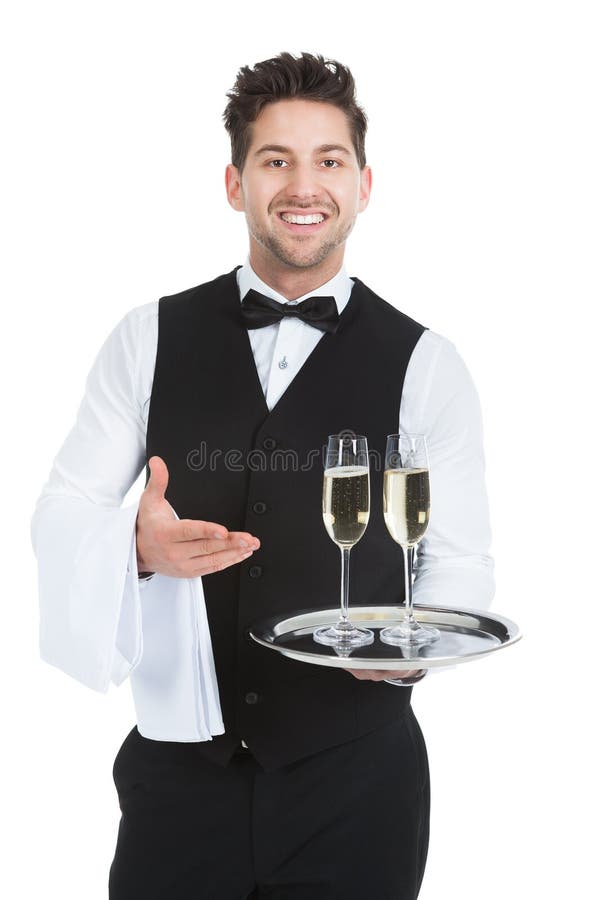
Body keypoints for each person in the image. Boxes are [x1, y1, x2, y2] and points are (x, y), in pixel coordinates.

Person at [31, 51, 494, 900]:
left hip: (359, 784)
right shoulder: (147, 337)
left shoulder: (428, 363)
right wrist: (132, 545)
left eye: (329, 160)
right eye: (275, 160)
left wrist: (406, 654)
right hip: (177, 777)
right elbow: (60, 508)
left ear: (363, 184)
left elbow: (462, 562)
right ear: (235, 182)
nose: (302, 185)